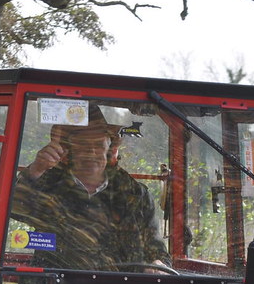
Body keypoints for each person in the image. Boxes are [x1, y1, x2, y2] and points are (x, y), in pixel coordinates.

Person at [11, 107, 170, 271]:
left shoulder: (134, 194)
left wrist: (157, 264)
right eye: (83, 146)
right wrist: (36, 170)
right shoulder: (47, 184)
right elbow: (13, 210)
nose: (91, 153)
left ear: (109, 150)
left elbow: (157, 253)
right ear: (68, 150)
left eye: (98, 146)